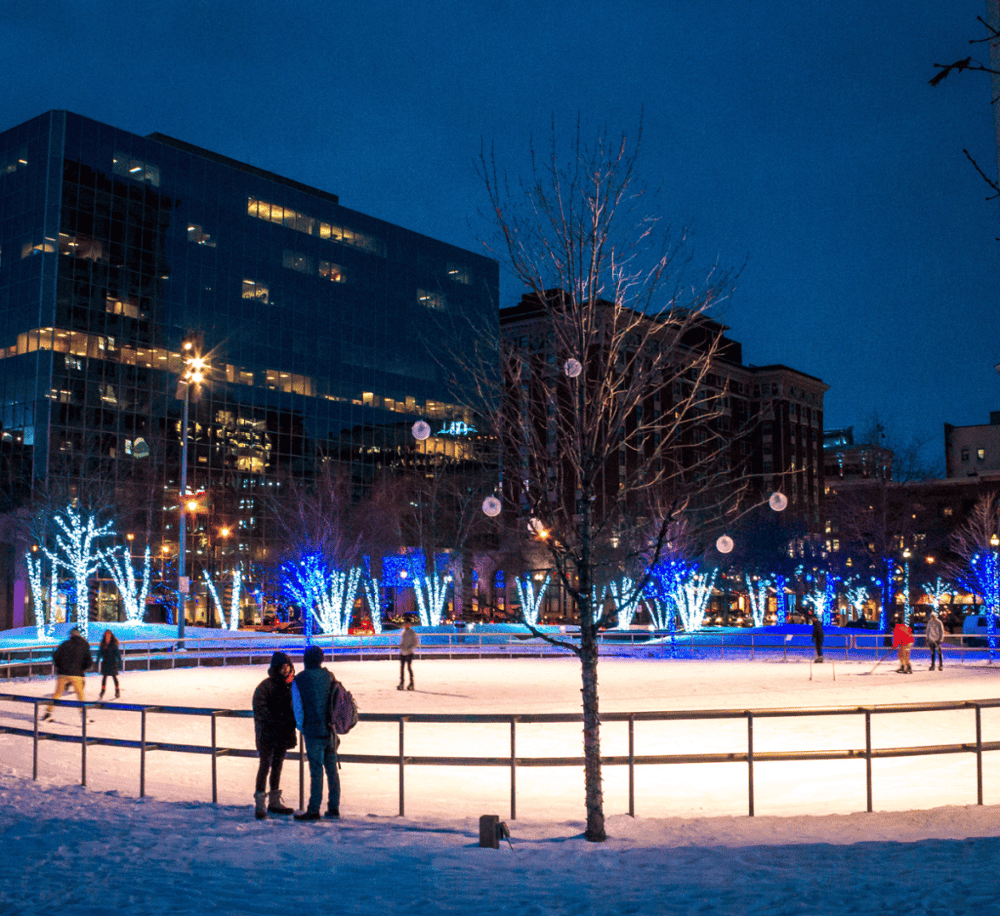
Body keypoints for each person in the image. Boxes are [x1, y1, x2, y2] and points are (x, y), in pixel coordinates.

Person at [291, 645, 340, 820]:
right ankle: (333, 808)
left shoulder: (300, 679)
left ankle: (313, 809)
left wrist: (302, 727)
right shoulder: (329, 676)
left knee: (316, 771)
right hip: (330, 730)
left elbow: (298, 707)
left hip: (313, 731)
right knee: (332, 770)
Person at [252, 651, 297, 819]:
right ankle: (260, 801)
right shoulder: (266, 686)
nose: (286, 671)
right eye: (284, 667)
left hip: (282, 732)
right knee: (265, 765)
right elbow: (260, 709)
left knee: (277, 765)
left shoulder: (291, 685)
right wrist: (278, 719)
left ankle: (274, 801)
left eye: (288, 667)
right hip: (267, 733)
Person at [43, 627, 93, 720]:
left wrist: (60, 667)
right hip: (77, 674)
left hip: (63, 673)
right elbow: (89, 661)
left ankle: (48, 712)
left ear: (71, 635)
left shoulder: (65, 644)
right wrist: (82, 669)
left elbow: (55, 656)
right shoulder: (84, 645)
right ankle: (84, 715)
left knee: (57, 694)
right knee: (80, 695)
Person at [97, 629, 123, 699]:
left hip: (112, 663)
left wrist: (120, 662)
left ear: (111, 636)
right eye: (106, 635)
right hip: (105, 663)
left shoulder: (113, 644)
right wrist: (97, 660)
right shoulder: (103, 643)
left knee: (114, 677)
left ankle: (117, 690)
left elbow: (117, 653)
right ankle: (103, 690)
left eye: (109, 635)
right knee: (104, 677)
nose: (107, 636)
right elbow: (100, 653)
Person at [398, 620, 419, 690]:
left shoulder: (412, 632)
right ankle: (401, 682)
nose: (406, 625)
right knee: (402, 668)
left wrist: (410, 648)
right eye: (405, 624)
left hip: (409, 652)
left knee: (409, 668)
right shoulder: (403, 632)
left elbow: (416, 642)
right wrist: (401, 646)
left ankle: (411, 683)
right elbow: (402, 641)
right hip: (403, 652)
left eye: (407, 624)